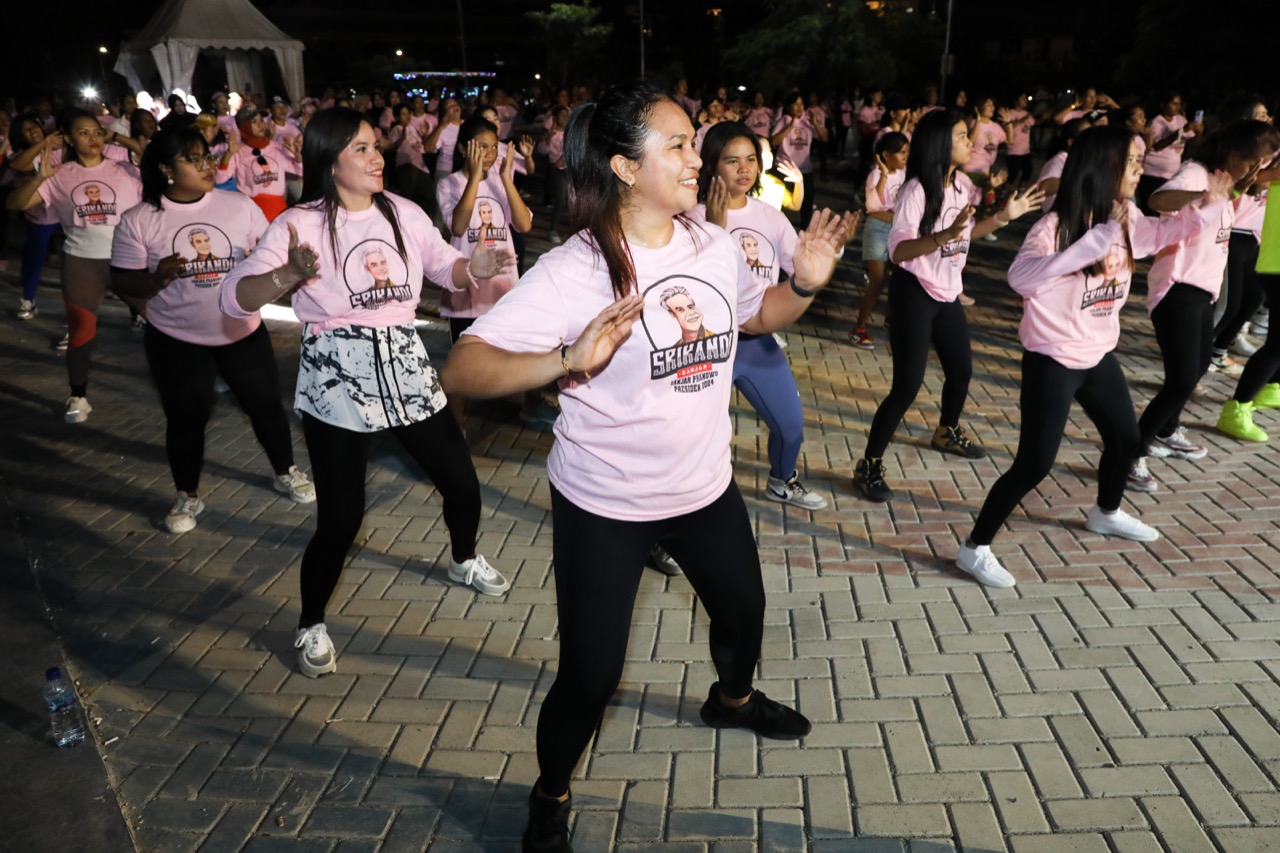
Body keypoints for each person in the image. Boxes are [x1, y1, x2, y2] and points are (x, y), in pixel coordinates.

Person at [440, 80, 845, 853]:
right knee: (591, 676)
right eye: (681, 146)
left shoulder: (713, 246)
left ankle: (731, 698)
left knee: (745, 613)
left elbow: (755, 318)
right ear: (625, 168)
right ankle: (550, 793)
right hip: (605, 501)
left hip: (703, 488)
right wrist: (567, 357)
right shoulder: (577, 269)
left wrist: (804, 285)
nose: (702, 160)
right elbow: (463, 368)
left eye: (696, 143)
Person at [217, 108, 516, 679]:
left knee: (462, 483)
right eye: (361, 149)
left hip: (404, 365)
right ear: (331, 162)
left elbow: (444, 266)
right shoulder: (297, 225)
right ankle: (310, 622)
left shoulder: (402, 211)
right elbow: (236, 298)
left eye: (377, 146)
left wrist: (471, 266)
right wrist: (288, 276)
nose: (377, 157)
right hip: (337, 379)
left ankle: (463, 558)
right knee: (341, 519)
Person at [955, 126, 1231, 587]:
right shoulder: (1054, 226)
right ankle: (974, 548)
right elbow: (1020, 278)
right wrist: (1084, 248)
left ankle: (1106, 512)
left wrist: (1210, 204)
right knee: (1034, 464)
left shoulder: (1123, 213)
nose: (1139, 169)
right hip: (1053, 360)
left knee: (1126, 441)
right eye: (1131, 161)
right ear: (1103, 168)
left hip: (1098, 355)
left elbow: (1155, 236)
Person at [110, 128, 316, 533]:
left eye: (208, 157)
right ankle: (187, 496)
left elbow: (268, 258)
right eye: (194, 159)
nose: (208, 166)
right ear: (167, 169)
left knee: (265, 407)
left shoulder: (239, 206)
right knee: (186, 418)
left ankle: (285, 469)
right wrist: (155, 280)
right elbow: (122, 282)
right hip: (176, 338)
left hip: (241, 331)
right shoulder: (139, 220)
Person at [852, 109, 1043, 502]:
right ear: (940, 143)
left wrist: (1004, 217)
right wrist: (944, 235)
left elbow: (968, 232)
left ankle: (946, 430)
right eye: (961, 136)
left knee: (961, 371)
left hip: (946, 291)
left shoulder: (961, 187)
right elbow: (899, 251)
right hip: (914, 292)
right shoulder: (916, 190)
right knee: (907, 385)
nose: (970, 142)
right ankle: (869, 463)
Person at [700, 121, 857, 510]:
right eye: (731, 160)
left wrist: (828, 254)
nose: (743, 168)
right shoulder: (689, 214)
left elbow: (802, 268)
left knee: (790, 426)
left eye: (750, 159)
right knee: (695, 440)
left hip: (757, 340)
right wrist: (713, 229)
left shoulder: (769, 216)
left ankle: (782, 481)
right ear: (711, 165)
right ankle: (672, 521)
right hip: (705, 346)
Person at [1128, 120, 1276, 491]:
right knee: (1180, 382)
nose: (1257, 169)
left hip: (1200, 292)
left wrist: (1234, 187)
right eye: (1254, 161)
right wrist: (1206, 192)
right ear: (1232, 154)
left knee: (1194, 372)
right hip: (1177, 289)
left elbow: (1249, 187)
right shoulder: (1197, 173)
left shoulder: (1228, 186)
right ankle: (1131, 454)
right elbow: (1158, 200)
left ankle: (1164, 430)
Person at [7, 110, 143, 422]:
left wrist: (122, 138)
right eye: (83, 133)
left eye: (97, 132)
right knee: (82, 329)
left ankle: (195, 376)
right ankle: (78, 396)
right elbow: (15, 203)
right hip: (82, 261)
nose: (93, 138)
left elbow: (159, 167)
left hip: (127, 258)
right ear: (68, 138)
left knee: (164, 320)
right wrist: (40, 178)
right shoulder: (60, 174)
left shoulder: (125, 169)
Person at [435, 116, 534, 426]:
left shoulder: (500, 181)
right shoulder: (449, 183)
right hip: (468, 286)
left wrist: (506, 179)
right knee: (461, 358)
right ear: (466, 149)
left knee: (514, 349)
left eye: (495, 147)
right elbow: (459, 225)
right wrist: (475, 179)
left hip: (503, 285)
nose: (491, 154)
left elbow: (525, 223)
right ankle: (457, 422)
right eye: (484, 147)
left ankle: (515, 404)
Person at [850, 131, 909, 350]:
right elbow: (873, 207)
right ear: (885, 154)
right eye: (901, 153)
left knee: (898, 279)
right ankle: (859, 328)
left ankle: (890, 318)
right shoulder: (875, 175)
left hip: (898, 231)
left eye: (907, 153)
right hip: (877, 230)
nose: (905, 157)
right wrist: (884, 175)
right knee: (877, 280)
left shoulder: (905, 175)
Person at [221, 106, 294, 221]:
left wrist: (299, 156)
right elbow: (221, 178)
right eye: (254, 122)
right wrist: (229, 154)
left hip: (278, 208)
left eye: (261, 120)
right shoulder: (238, 150)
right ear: (245, 127)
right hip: (252, 210)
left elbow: (298, 169)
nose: (261, 125)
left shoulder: (275, 146)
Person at [770, 92, 828, 225]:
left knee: (807, 203)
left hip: (804, 169)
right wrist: (790, 127)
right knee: (781, 202)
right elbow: (773, 141)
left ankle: (804, 231)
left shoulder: (808, 121)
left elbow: (824, 138)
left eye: (801, 104)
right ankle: (778, 229)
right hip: (784, 168)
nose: (799, 107)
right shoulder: (783, 120)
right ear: (789, 107)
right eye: (795, 104)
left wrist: (815, 123)